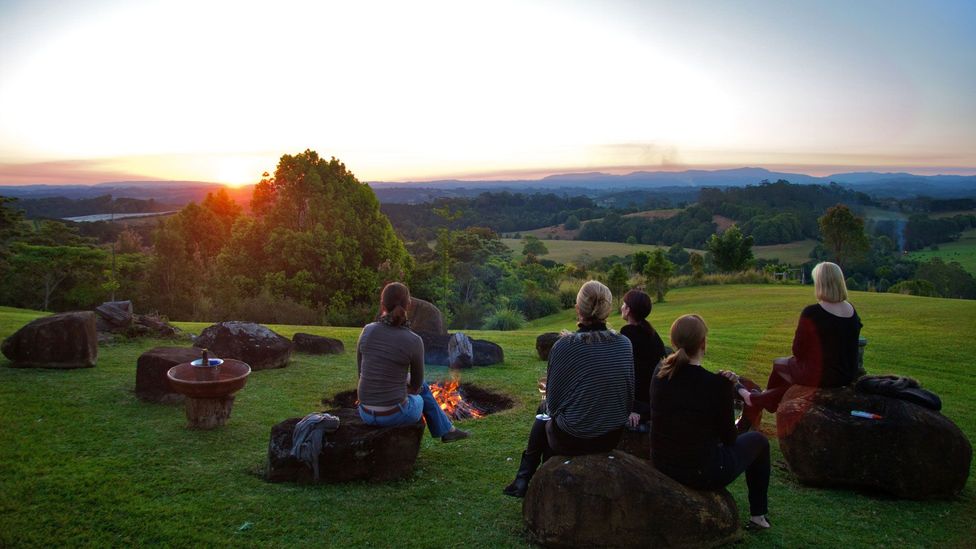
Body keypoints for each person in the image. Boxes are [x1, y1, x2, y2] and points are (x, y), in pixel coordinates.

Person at [503, 280, 634, 497]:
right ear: (607, 309)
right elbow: (627, 395)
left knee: (543, 414)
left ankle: (525, 479)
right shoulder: (624, 344)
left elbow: (553, 406)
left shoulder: (565, 346)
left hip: (575, 438)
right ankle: (529, 479)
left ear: (578, 308)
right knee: (546, 416)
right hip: (612, 434)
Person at [649, 314, 771, 530]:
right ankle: (758, 517)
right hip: (700, 471)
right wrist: (726, 387)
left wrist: (723, 386)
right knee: (759, 442)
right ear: (703, 343)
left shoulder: (659, 373)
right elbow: (729, 438)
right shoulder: (715, 385)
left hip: (662, 460)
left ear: (674, 342)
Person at [736, 262, 863, 427]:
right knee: (790, 381)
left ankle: (759, 401)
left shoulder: (813, 312)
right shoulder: (852, 312)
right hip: (846, 374)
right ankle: (763, 399)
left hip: (821, 375)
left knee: (779, 364)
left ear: (820, 283)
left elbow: (798, 350)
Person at [356, 282, 469, 443]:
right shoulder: (413, 340)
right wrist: (403, 388)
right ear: (408, 305)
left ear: (382, 304)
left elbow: (361, 372)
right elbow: (416, 388)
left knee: (413, 384)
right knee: (422, 393)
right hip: (394, 414)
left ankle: (447, 430)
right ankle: (446, 430)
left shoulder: (367, 330)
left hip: (365, 412)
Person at [619, 289, 667, 429]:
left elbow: (631, 374)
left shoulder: (628, 334)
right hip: (655, 400)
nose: (621, 307)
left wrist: (632, 407)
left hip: (640, 404)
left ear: (628, 310)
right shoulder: (651, 333)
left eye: (624, 304)